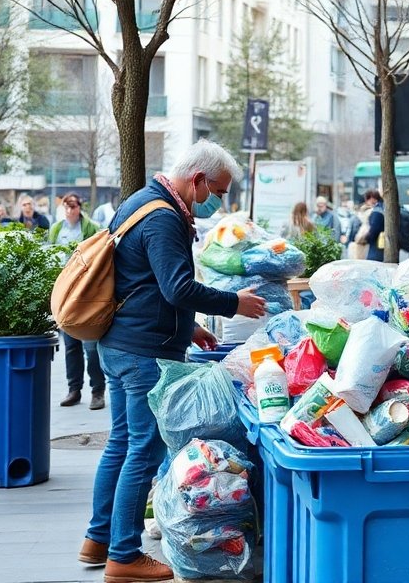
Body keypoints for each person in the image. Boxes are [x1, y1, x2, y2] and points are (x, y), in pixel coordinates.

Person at [79, 140, 267, 582]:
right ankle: (123, 556)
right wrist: (233, 303)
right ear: (197, 179)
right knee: (142, 451)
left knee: (121, 444)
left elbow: (142, 281)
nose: (216, 200)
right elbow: (177, 287)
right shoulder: (164, 217)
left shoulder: (141, 202)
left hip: (121, 342)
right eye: (216, 191)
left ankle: (98, 539)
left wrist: (189, 328)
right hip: (142, 352)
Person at [49, 194, 104, 409]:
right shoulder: (56, 229)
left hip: (86, 293)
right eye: (66, 207)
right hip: (65, 292)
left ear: (80, 208)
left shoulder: (91, 228)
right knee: (71, 345)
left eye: (73, 207)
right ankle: (74, 389)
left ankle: (97, 390)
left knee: (91, 347)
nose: (70, 211)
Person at [363, 190, 409, 263]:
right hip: (396, 247)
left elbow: (373, 231)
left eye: (367, 200)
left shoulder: (378, 211)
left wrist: (366, 238)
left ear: (372, 198)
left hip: (378, 249)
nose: (366, 203)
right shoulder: (393, 208)